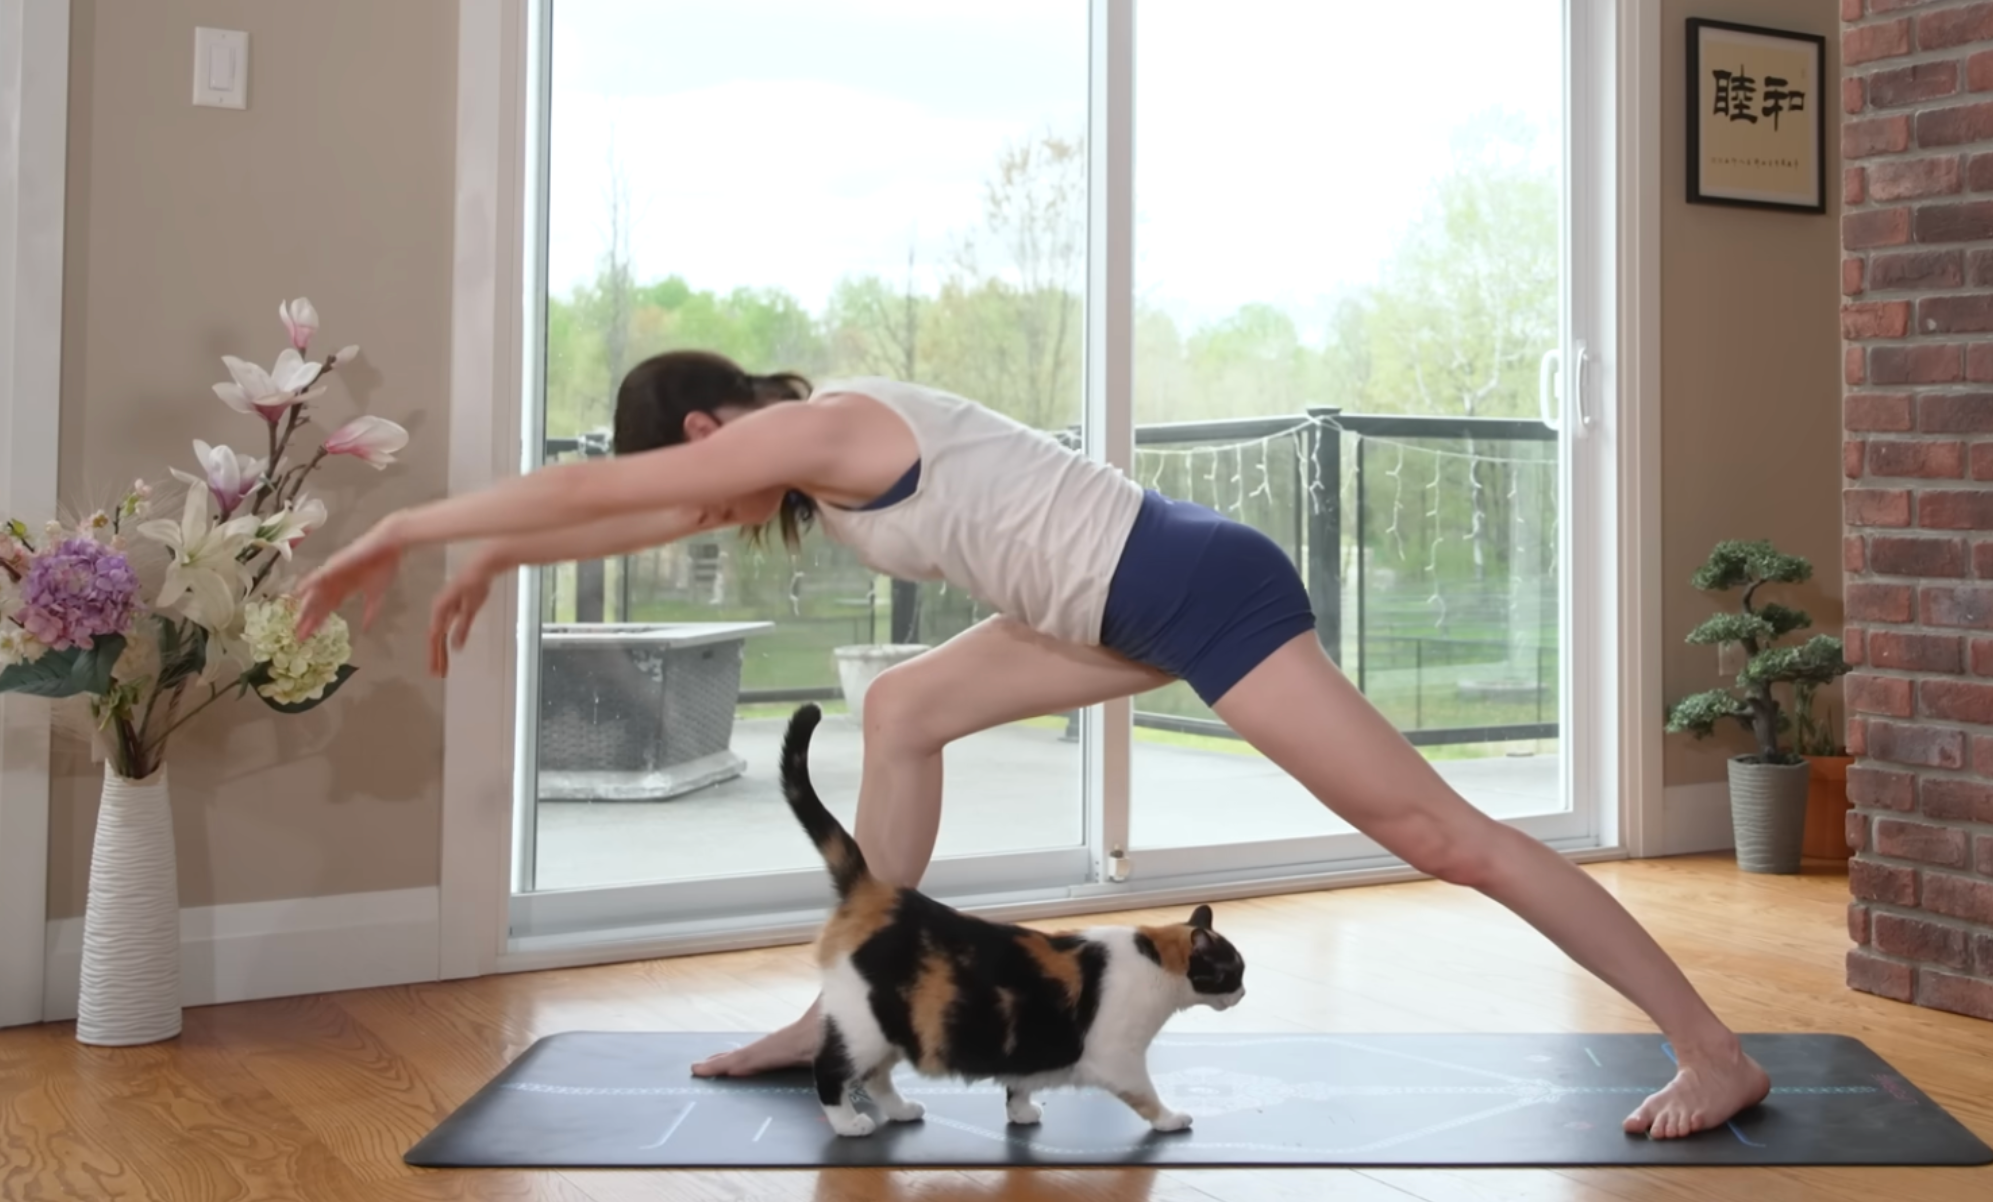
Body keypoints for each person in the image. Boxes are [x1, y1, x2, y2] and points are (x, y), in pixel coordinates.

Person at [292, 351, 1771, 1139]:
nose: (705, 516)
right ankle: (845, 1014)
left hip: (1195, 585)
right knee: (903, 708)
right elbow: (631, 506)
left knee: (1444, 836)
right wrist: (492, 562)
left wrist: (426, 524)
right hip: (1107, 600)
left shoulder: (831, 423)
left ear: (705, 422)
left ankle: (1712, 1049)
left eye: (702, 476)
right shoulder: (816, 450)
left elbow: (615, 490)